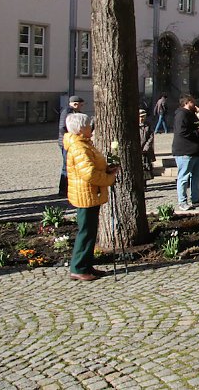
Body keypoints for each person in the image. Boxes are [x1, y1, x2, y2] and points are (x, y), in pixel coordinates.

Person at [63, 112, 118, 281]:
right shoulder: (79, 147)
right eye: (88, 125)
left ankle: (85, 265)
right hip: (86, 193)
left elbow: (93, 166)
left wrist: (107, 168)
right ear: (80, 129)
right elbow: (89, 173)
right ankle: (79, 268)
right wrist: (109, 179)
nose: (90, 128)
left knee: (90, 230)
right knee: (86, 231)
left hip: (91, 192)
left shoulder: (84, 143)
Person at [172, 94, 199, 211]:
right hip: (185, 151)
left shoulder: (191, 114)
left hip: (196, 151)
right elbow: (182, 132)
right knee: (183, 177)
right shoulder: (181, 114)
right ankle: (182, 201)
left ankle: (195, 197)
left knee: (197, 175)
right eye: (192, 102)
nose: (194, 104)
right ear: (187, 102)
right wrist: (198, 132)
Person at [57, 95, 85, 197]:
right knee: (66, 166)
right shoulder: (67, 112)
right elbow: (62, 128)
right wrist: (71, 138)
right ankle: (63, 190)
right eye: (78, 105)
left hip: (73, 142)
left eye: (81, 105)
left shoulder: (78, 113)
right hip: (66, 142)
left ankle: (70, 188)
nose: (79, 107)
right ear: (73, 104)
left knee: (72, 166)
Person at [138, 109, 155, 183]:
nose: (141, 118)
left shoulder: (148, 125)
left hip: (146, 150)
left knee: (146, 166)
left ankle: (144, 183)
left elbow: (151, 137)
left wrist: (146, 147)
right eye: (140, 117)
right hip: (138, 149)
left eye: (143, 117)